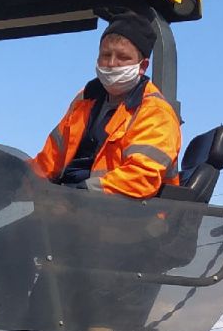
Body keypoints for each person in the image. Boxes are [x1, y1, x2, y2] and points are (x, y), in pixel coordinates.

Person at [32, 12, 181, 198]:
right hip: (73, 207)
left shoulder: (155, 112)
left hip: (129, 218)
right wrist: (19, 178)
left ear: (142, 66)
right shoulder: (85, 100)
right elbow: (49, 161)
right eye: (106, 55)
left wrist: (78, 194)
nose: (111, 63)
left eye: (122, 57)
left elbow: (142, 177)